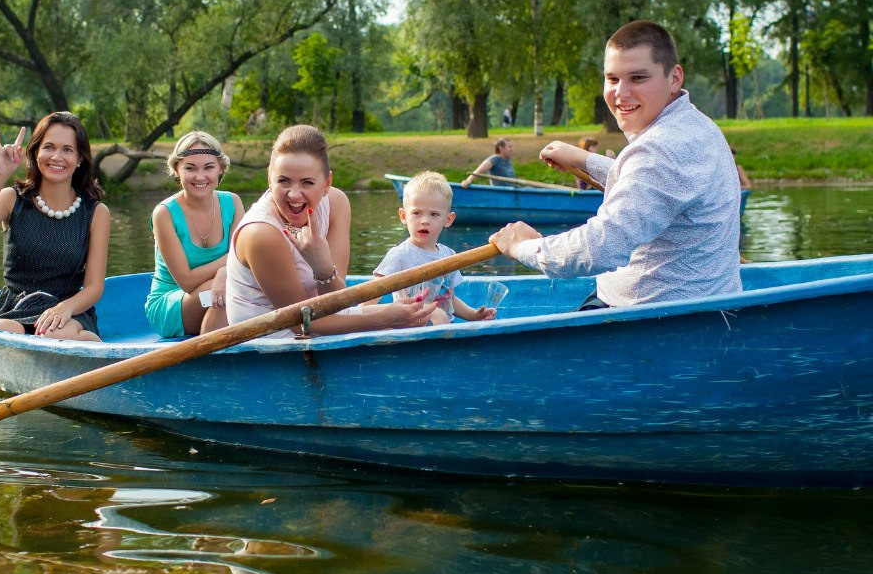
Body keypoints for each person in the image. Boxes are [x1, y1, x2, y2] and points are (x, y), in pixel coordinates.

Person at [489, 20, 742, 309]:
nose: (621, 93)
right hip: (709, 305)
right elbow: (660, 186)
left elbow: (599, 249)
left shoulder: (659, 150)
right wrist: (585, 160)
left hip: (652, 320)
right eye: (612, 79)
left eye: (637, 78)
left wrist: (521, 246)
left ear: (674, 78)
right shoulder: (697, 125)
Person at [225, 124, 436, 337]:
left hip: (321, 317)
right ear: (270, 178)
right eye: (283, 181)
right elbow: (299, 322)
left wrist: (323, 269)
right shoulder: (260, 234)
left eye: (307, 182)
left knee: (432, 317)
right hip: (272, 338)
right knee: (399, 324)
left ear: (327, 183)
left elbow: (334, 302)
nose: (294, 194)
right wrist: (385, 318)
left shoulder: (336, 203)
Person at [0, 111, 110, 340]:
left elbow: (94, 288)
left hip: (68, 311)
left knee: (55, 332)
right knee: (0, 332)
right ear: (35, 152)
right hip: (16, 307)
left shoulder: (96, 213)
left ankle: (91, 347)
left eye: (67, 150)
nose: (57, 157)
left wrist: (65, 309)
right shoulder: (12, 199)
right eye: (49, 147)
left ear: (80, 158)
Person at [145, 131, 246, 337]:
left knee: (243, 282)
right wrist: (227, 268)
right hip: (174, 303)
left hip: (222, 290)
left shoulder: (233, 203)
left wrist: (225, 272)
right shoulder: (164, 213)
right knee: (234, 285)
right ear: (176, 170)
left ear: (221, 169)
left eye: (208, 167)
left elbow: (245, 259)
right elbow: (187, 281)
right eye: (190, 168)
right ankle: (211, 351)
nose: (200, 177)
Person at [366, 171, 495, 325]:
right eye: (417, 213)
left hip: (444, 329)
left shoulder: (449, 256)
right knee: (437, 314)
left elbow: (450, 299)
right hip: (410, 327)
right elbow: (367, 303)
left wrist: (474, 315)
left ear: (448, 220)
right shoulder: (400, 255)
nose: (425, 221)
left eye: (434, 214)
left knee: (440, 314)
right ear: (403, 216)